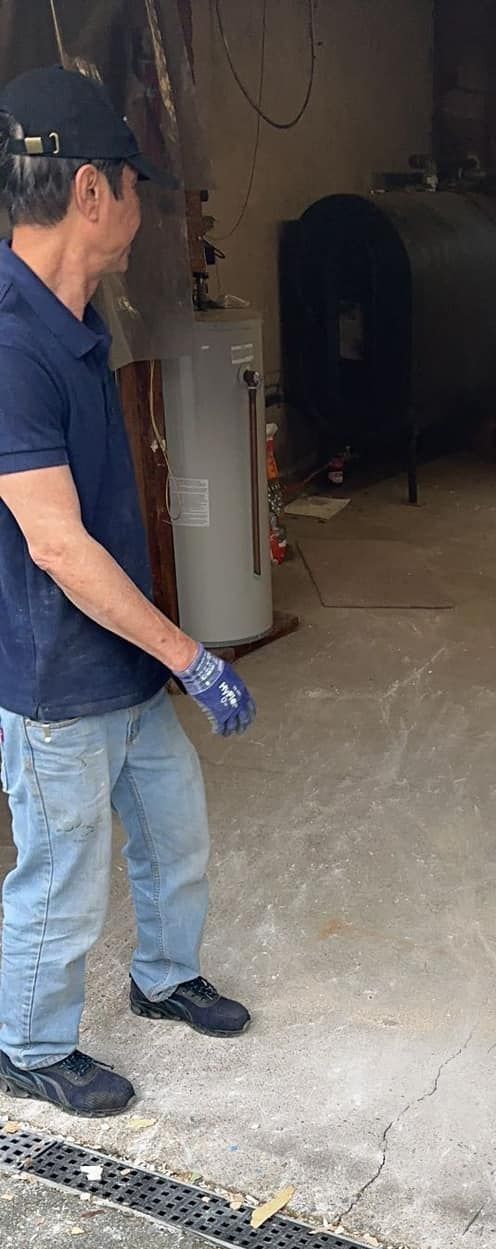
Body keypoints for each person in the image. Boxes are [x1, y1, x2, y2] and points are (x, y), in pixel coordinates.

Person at [0, 65, 256, 1119]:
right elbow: (56, 545)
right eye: (136, 186)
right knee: (60, 876)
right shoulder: (12, 343)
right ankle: (29, 1044)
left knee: (170, 821)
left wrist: (158, 654)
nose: (146, 208)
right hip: (57, 675)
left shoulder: (74, 315)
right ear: (92, 191)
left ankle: (164, 977)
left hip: (119, 657)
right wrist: (191, 653)